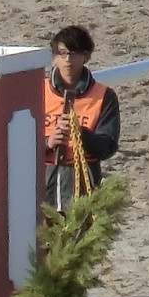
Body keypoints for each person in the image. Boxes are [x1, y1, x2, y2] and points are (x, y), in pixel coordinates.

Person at [43, 25, 120, 209]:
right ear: (54, 58)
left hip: (84, 180)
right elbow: (19, 144)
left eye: (74, 53)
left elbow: (107, 146)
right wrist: (48, 142)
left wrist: (81, 133)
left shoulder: (104, 95)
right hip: (43, 179)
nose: (68, 59)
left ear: (86, 56)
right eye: (62, 53)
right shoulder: (37, 91)